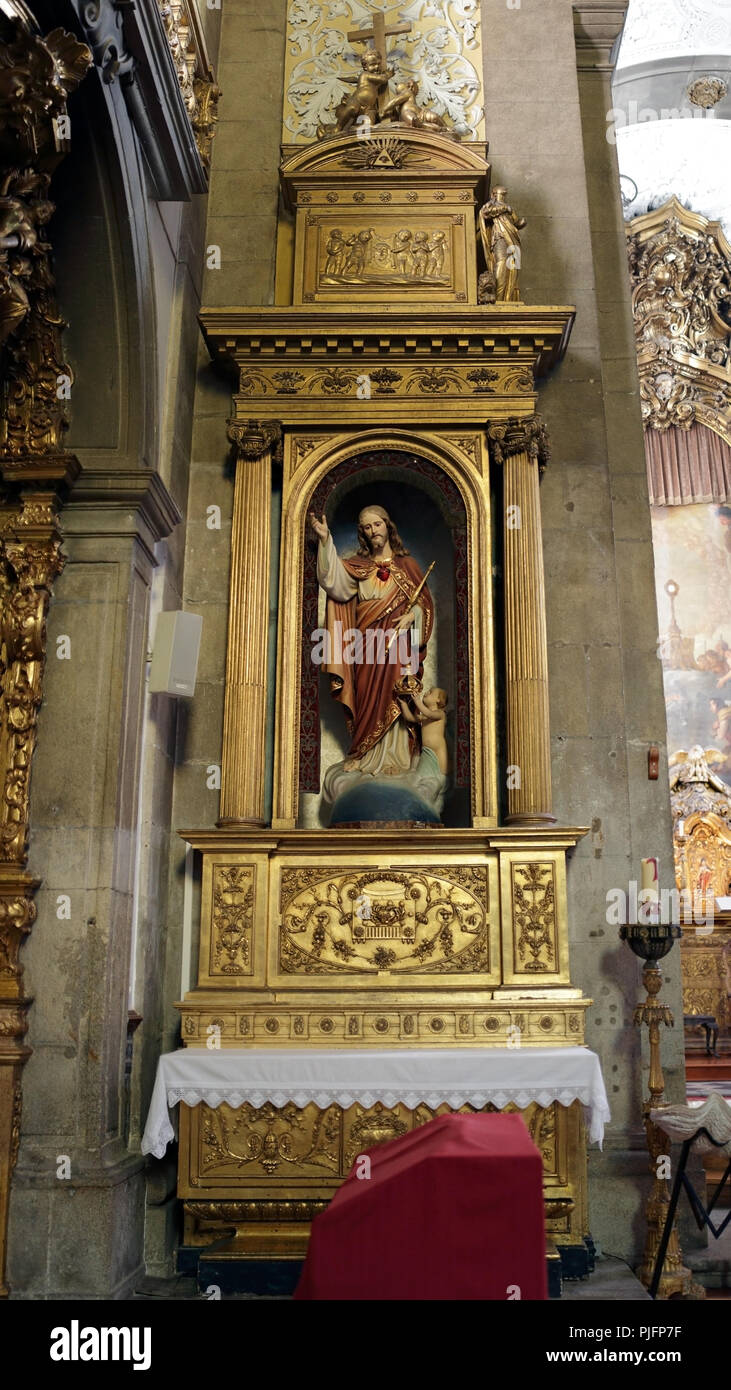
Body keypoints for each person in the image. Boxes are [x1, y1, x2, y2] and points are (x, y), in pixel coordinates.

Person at [309, 505, 433, 784]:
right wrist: (326, 540)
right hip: (366, 646)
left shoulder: (408, 566)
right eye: (366, 527)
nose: (372, 531)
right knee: (366, 696)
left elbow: (425, 606)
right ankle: (364, 753)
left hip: (399, 647)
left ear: (388, 526)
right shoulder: (358, 567)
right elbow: (333, 583)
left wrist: (413, 616)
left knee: (396, 695)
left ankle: (398, 759)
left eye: (376, 524)